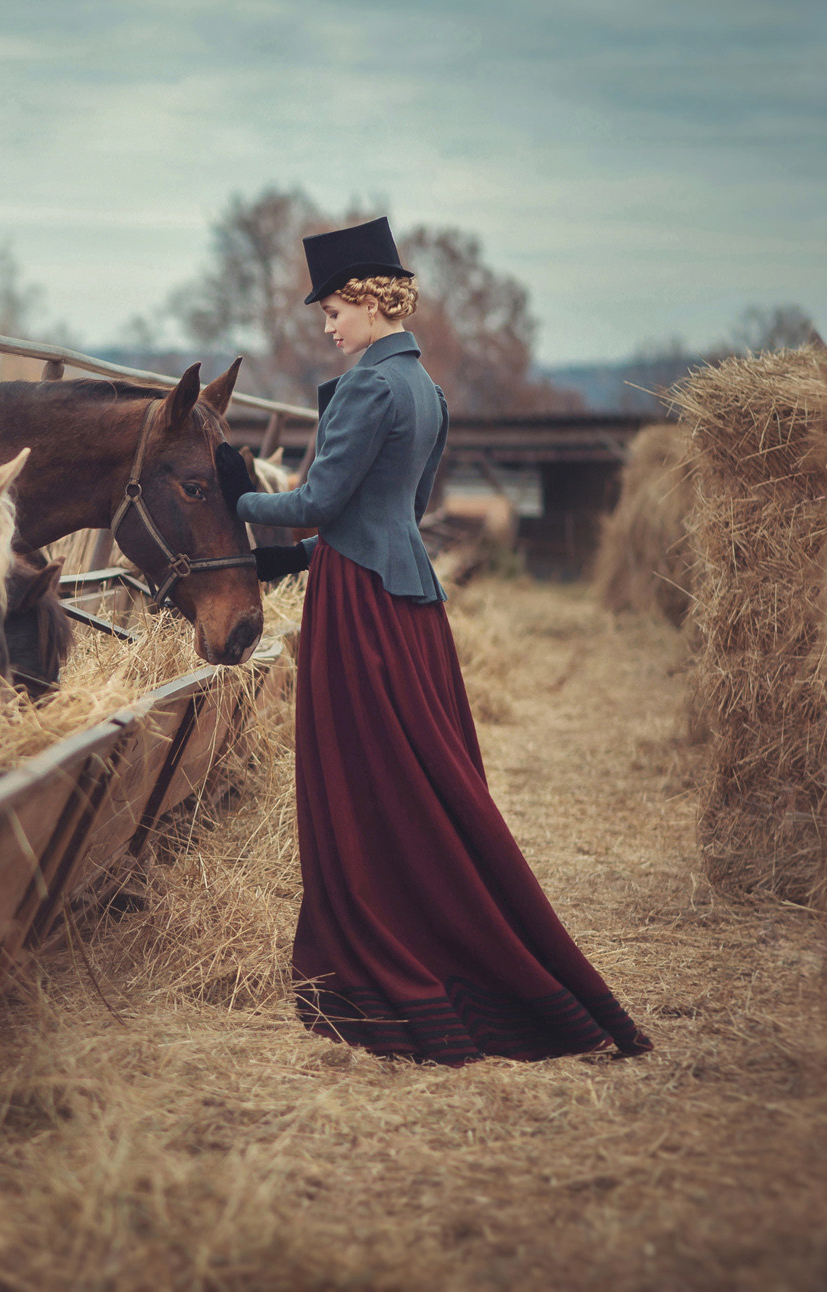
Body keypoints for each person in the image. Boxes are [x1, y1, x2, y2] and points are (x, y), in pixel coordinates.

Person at [213, 217, 651, 1066]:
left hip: (362, 612)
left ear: (371, 302)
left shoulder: (374, 389)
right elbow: (387, 515)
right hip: (408, 605)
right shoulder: (429, 392)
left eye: (333, 309)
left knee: (367, 780)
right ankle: (450, 928)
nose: (327, 326)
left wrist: (237, 497)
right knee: (417, 779)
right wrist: (290, 562)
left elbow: (319, 501)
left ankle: (398, 953)